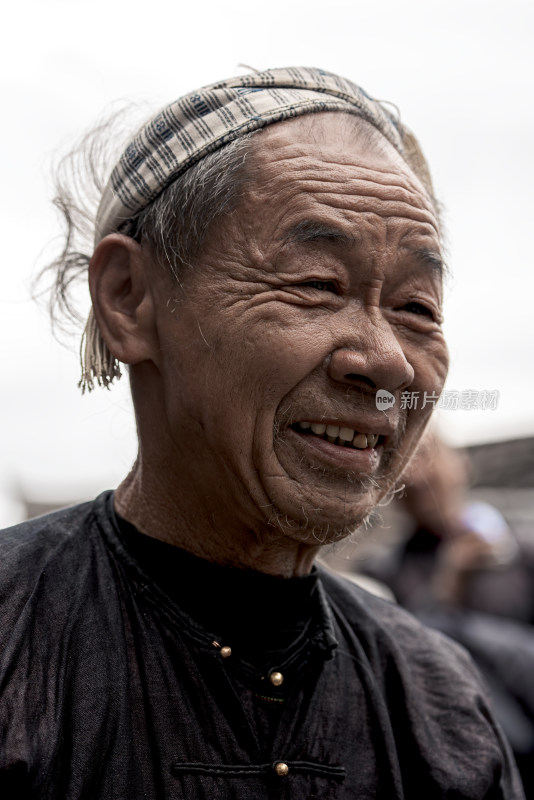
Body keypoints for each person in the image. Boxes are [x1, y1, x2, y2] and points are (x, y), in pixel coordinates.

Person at [0, 67, 524, 798]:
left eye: (416, 307)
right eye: (316, 284)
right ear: (130, 299)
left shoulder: (438, 700)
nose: (385, 362)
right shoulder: (14, 639)